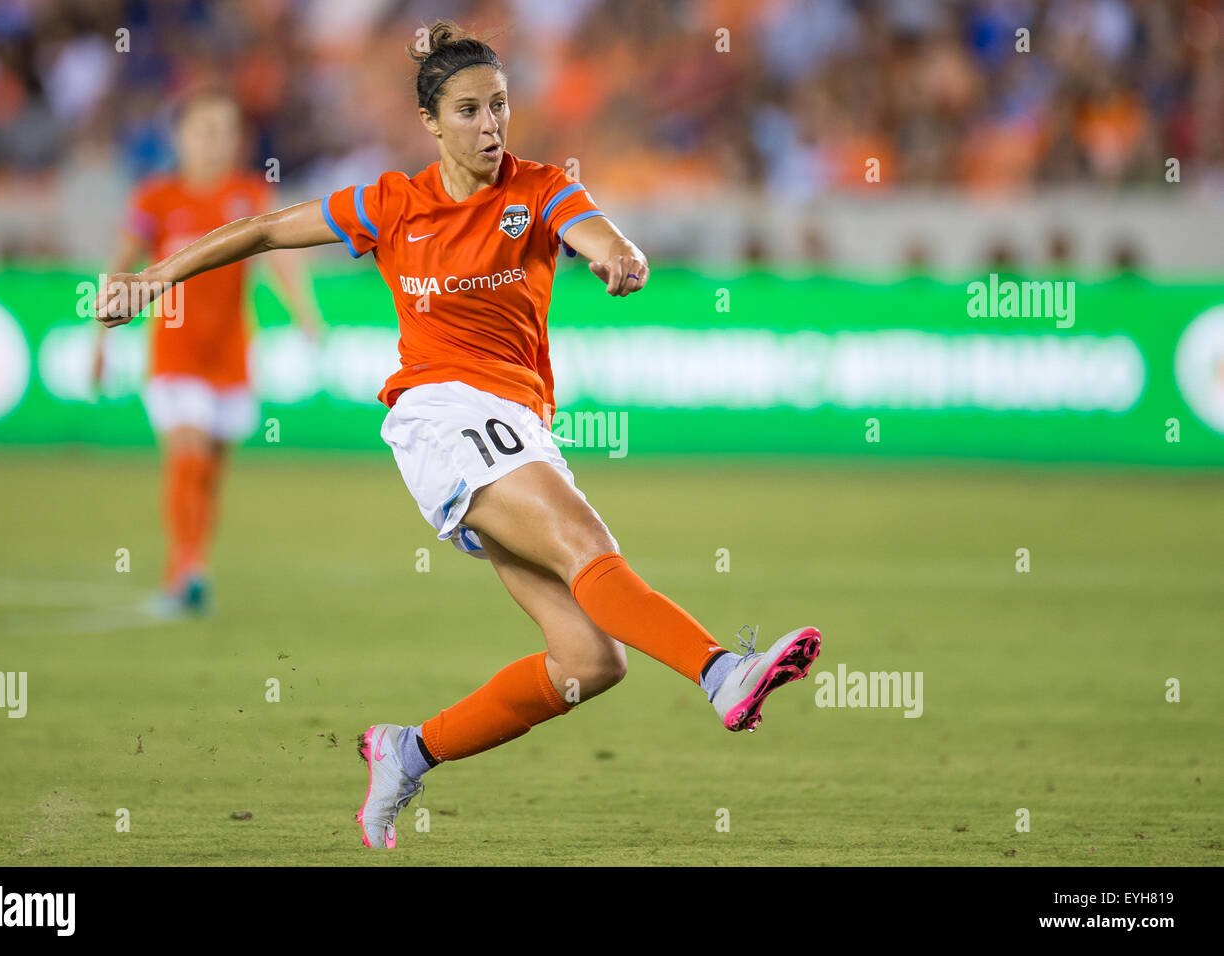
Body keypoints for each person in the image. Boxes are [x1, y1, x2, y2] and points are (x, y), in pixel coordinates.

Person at [95, 22, 821, 848]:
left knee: (589, 664)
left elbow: (599, 235)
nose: (490, 125)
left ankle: (409, 750)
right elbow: (263, 230)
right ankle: (723, 672)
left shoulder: (539, 188)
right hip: (441, 416)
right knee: (588, 546)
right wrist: (151, 281)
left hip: (519, 425)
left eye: (500, 106)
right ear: (431, 123)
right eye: (469, 110)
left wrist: (622, 258)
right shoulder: (390, 203)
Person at [95, 89, 320, 614]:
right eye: (204, 130)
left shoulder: (249, 194)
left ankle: (194, 566)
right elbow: (122, 269)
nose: (216, 141)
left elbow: (281, 259)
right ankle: (184, 570)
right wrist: (100, 339)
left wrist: (305, 313)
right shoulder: (157, 198)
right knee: (188, 452)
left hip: (231, 358)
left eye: (225, 130)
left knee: (210, 473)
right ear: (181, 137)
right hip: (174, 355)